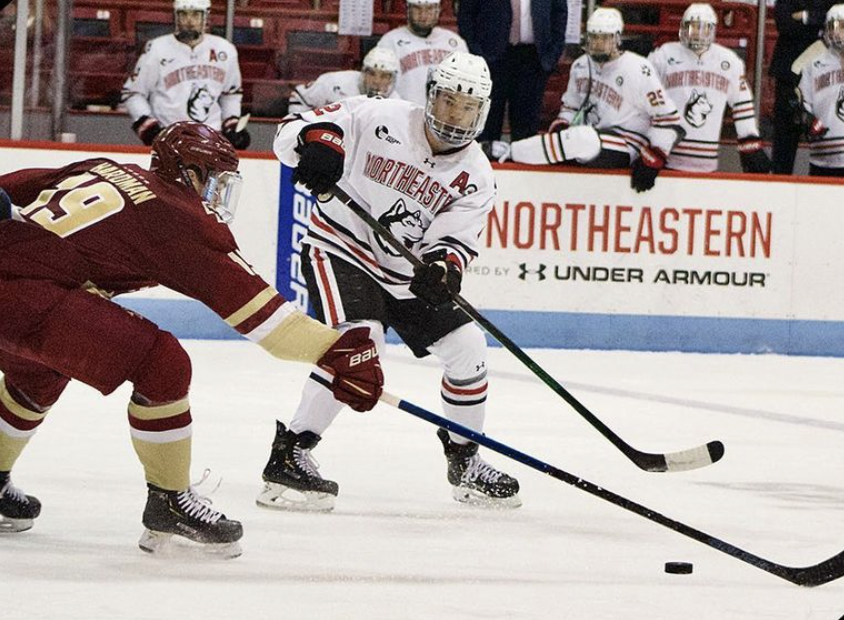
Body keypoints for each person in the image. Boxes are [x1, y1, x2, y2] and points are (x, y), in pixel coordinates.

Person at [0, 123, 383, 554]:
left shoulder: (105, 166)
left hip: (17, 282)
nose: (217, 193)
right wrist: (337, 351)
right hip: (28, 294)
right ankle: (170, 501)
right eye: (214, 178)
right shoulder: (177, 216)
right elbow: (270, 323)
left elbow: (9, 189)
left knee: (36, 376)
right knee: (161, 363)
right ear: (188, 172)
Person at [262, 51, 521, 512]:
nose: (453, 115)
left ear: (481, 111)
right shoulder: (378, 114)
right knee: (361, 344)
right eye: (445, 102)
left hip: (403, 274)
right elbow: (289, 133)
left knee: (468, 347)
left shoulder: (477, 175)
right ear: (429, 97)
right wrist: (320, 144)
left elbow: (453, 241)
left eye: (465, 107)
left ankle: (465, 458)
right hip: (341, 248)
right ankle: (291, 452)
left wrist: (443, 269)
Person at [506, 8, 684, 193]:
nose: (598, 44)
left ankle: (507, 151)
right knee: (580, 138)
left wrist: (653, 157)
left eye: (604, 38)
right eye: (594, 37)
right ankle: (507, 152)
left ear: (617, 38)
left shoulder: (638, 69)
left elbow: (668, 118)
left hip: (627, 143)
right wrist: (562, 126)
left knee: (584, 139)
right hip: (589, 140)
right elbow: (571, 107)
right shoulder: (581, 65)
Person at [648, 3, 771, 174]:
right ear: (682, 28)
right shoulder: (663, 55)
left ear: (712, 30)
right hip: (666, 157)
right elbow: (645, 98)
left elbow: (742, 102)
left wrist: (749, 138)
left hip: (706, 161)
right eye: (693, 27)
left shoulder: (728, 61)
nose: (698, 33)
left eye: (703, 28)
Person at [120, 0, 251, 149]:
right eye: (184, 14)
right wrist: (149, 127)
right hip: (170, 140)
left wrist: (232, 124)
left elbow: (231, 94)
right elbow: (133, 93)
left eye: (195, 14)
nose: (189, 21)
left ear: (206, 17)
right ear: (176, 17)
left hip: (211, 139)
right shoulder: (157, 48)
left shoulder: (225, 49)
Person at [458, 0, 568, 146]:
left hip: (532, 59)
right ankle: (484, 165)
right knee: (485, 126)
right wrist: (477, 53)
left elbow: (559, 12)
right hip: (490, 59)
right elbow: (466, 14)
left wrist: (552, 54)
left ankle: (524, 166)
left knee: (526, 133)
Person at [769, 0, 836, 174]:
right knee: (784, 147)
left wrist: (806, 16)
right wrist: (822, 22)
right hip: (789, 76)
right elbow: (784, 23)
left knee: (830, 139)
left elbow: (839, 14)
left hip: (829, 73)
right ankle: (779, 192)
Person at [376, 0, 469, 106]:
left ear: (438, 10)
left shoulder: (455, 42)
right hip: (404, 114)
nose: (423, 15)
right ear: (408, 9)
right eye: (417, 8)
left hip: (445, 117)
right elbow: (379, 87)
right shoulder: (390, 41)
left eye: (429, 9)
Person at [796, 4, 844, 176]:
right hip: (823, 157)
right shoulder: (813, 64)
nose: (837, 33)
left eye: (842, 27)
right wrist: (806, 119)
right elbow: (804, 105)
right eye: (833, 27)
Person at [288, 47, 400, 115]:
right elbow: (299, 98)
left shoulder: (396, 105)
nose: (377, 81)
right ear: (363, 73)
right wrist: (301, 132)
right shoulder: (334, 83)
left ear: (391, 80)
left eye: (384, 76)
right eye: (371, 73)